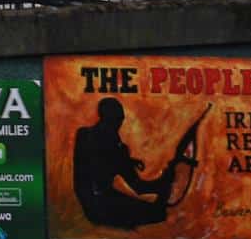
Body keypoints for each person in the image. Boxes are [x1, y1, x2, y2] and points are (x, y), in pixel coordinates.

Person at [73, 97, 197, 229]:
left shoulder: (84, 135)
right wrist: (164, 182)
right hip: (101, 207)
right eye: (117, 120)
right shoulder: (116, 148)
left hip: (89, 202)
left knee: (154, 210)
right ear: (110, 119)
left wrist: (128, 161)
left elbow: (100, 162)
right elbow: (139, 187)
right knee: (158, 213)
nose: (119, 125)